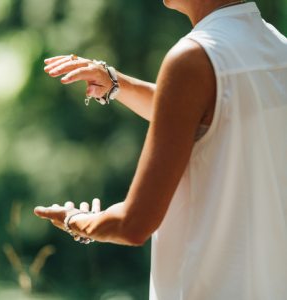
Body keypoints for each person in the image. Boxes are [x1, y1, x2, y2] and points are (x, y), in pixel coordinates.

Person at [34, 0, 287, 298]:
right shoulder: (276, 46)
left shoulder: (193, 56)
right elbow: (209, 113)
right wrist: (116, 83)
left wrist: (74, 220)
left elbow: (133, 224)